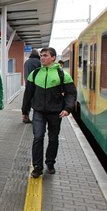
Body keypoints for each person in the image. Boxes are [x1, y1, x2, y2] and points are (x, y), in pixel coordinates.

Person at [21, 47, 77, 178]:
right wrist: (25, 111)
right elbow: (28, 94)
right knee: (38, 137)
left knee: (53, 139)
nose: (42, 58)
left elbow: (71, 94)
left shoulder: (62, 75)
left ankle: (50, 163)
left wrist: (67, 109)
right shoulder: (34, 74)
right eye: (41, 56)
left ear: (53, 58)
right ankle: (37, 167)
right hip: (38, 112)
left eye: (45, 55)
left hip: (56, 113)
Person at [22, 49, 41, 123]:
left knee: (27, 101)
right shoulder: (38, 62)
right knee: (36, 102)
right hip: (36, 85)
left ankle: (25, 117)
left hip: (27, 83)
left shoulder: (26, 62)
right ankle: (36, 119)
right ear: (37, 54)